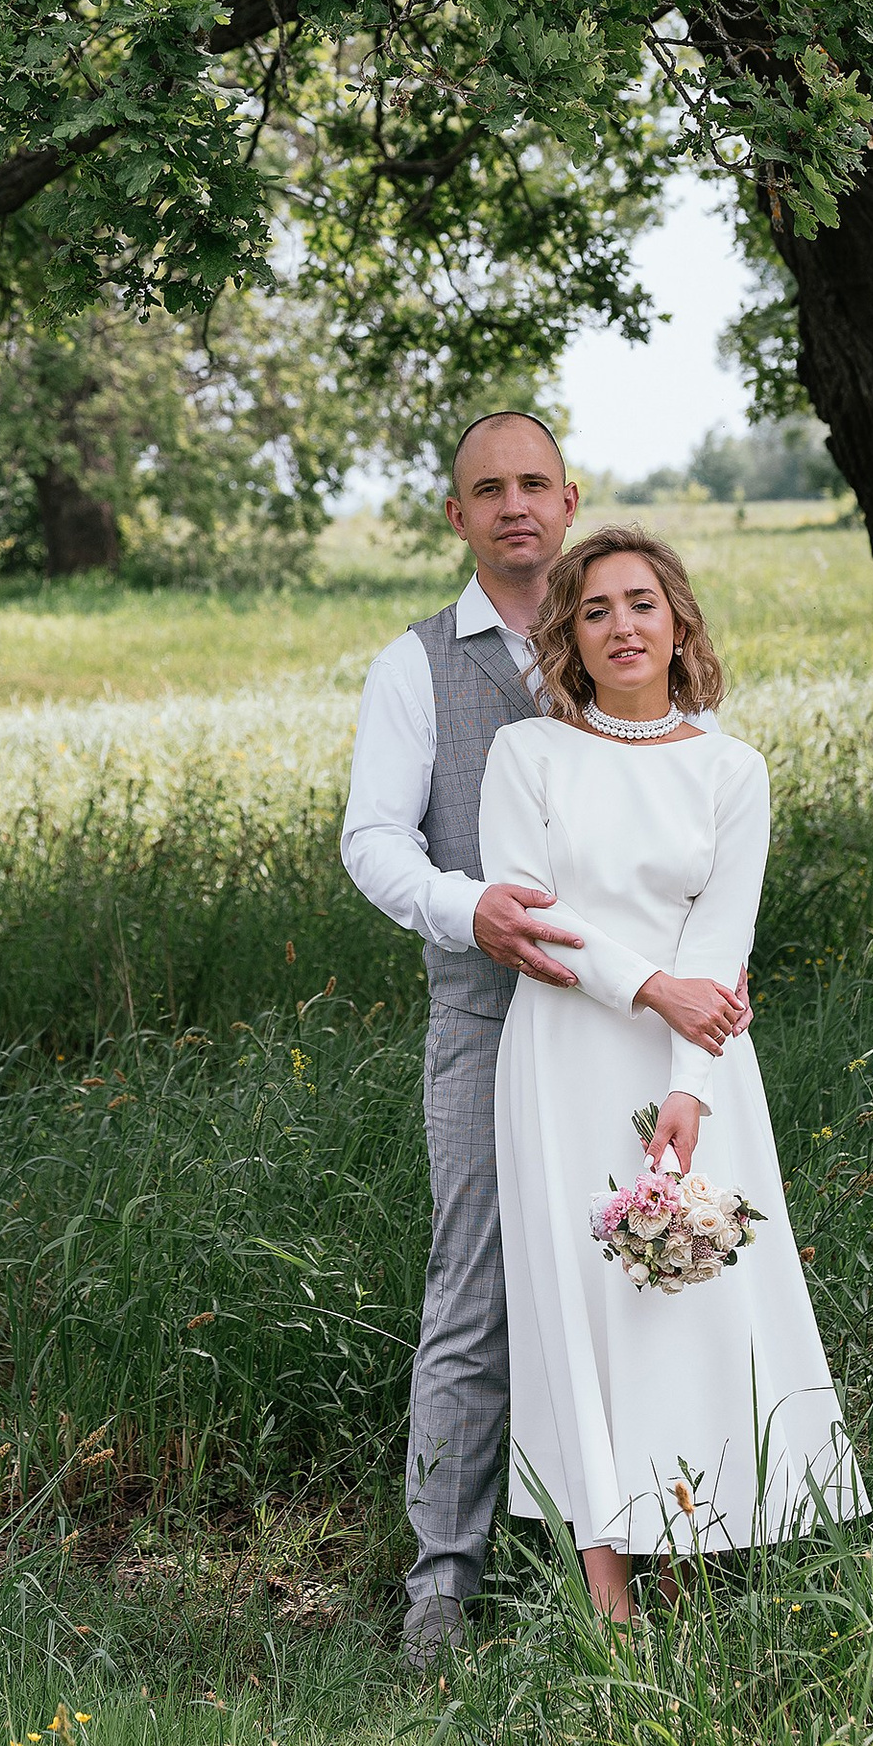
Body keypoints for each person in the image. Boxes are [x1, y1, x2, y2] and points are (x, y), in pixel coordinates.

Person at [480, 524, 863, 1620]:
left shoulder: (729, 769)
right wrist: (652, 989)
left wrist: (691, 1082)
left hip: (698, 1069)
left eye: (640, 603)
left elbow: (723, 943)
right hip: (563, 1059)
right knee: (578, 1300)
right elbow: (537, 929)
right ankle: (607, 1592)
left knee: (687, 1296)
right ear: (569, 636)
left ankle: (690, 1543)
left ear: (678, 620)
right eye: (594, 610)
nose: (621, 626)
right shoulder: (531, 757)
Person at [341, 410, 589, 1670]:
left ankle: (625, 1544)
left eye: (534, 484)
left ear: (570, 497)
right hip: (485, 1022)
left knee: (628, 1272)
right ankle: (442, 1579)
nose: (513, 507)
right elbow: (373, 840)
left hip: (619, 1029)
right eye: (487, 489)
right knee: (475, 1295)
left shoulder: (620, 635)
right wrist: (466, 905)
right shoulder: (417, 665)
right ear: (457, 517)